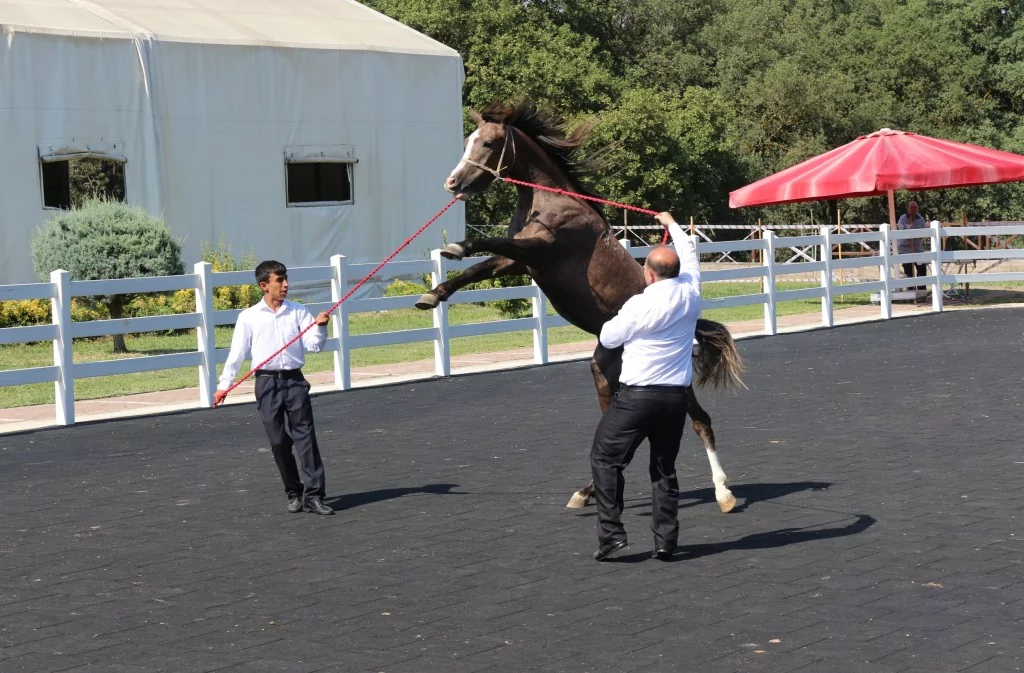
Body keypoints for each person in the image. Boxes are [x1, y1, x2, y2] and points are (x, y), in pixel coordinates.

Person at [590, 212, 702, 562]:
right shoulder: (691, 293)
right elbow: (691, 254)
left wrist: (624, 320)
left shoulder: (639, 305)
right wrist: (673, 225)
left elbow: (608, 338)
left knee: (605, 460)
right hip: (674, 401)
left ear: (648, 273)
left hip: (637, 399)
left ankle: (611, 535)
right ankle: (666, 541)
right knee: (664, 469)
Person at [214, 260, 334, 516]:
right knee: (279, 442)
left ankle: (314, 496)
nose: (286, 284)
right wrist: (224, 386)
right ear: (264, 286)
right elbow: (235, 356)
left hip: (295, 381)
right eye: (280, 280)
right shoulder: (248, 317)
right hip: (266, 383)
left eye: (286, 279)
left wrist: (321, 327)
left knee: (306, 439)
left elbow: (313, 346)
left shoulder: (299, 312)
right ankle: (294, 491)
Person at [896, 201, 928, 290]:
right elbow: (902, 230)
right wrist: (910, 234)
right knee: (908, 269)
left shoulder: (920, 219)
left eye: (915, 208)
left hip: (917, 249)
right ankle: (910, 290)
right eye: (912, 208)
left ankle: (922, 290)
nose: (913, 210)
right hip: (905, 249)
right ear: (908, 208)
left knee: (921, 268)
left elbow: (924, 233)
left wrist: (916, 235)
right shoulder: (903, 218)